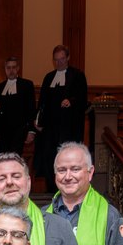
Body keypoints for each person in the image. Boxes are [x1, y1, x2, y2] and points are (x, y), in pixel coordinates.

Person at [45, 142, 123, 245]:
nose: (68, 177)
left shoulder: (109, 215)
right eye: (62, 170)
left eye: (75, 169)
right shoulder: (42, 216)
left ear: (90, 172)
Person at [33, 45, 89, 189]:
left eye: (62, 59)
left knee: (65, 159)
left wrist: (71, 101)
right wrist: (38, 120)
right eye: (56, 60)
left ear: (68, 58)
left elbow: (83, 99)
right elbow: (42, 102)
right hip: (49, 128)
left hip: (68, 127)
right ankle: (50, 189)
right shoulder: (49, 77)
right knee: (49, 158)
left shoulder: (77, 75)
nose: (59, 63)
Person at [0, 56, 36, 156]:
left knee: (15, 161)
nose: (11, 71)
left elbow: (31, 109)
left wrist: (31, 131)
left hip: (20, 132)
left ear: (18, 68)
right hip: (3, 134)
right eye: (8, 68)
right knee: (1, 160)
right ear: (5, 69)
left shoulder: (27, 85)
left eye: (13, 67)